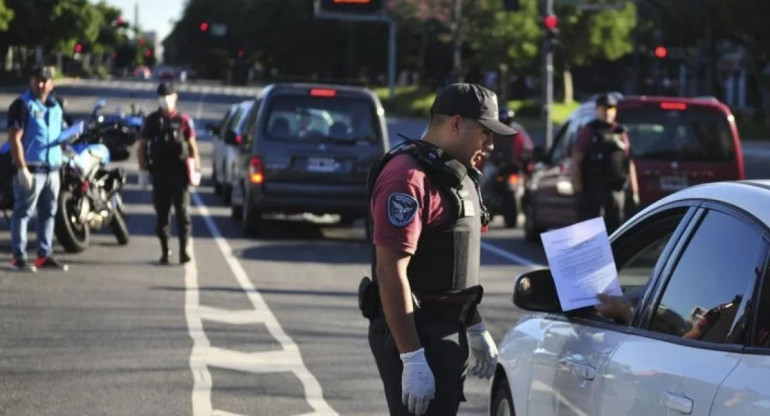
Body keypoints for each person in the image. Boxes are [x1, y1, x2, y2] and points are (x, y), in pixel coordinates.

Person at [366, 83, 515, 416]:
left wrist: (474, 324)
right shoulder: (407, 177)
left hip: (447, 329)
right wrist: (412, 358)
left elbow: (450, 263)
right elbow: (391, 271)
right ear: (457, 124)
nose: (491, 145)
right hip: (416, 333)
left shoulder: (456, 175)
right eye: (486, 133)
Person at [6, 66, 69, 272]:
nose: (40, 84)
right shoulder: (23, 105)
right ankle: (19, 258)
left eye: (44, 80)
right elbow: (15, 139)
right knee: (23, 213)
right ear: (31, 81)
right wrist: (22, 168)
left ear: (52, 84)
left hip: (53, 169)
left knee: (49, 212)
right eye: (36, 80)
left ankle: (44, 255)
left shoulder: (56, 105)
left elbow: (61, 131)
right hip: (32, 169)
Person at [137, 82, 200, 265]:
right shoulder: (152, 121)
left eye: (168, 95)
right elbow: (142, 146)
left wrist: (196, 169)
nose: (165, 99)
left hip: (179, 174)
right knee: (162, 215)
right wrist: (142, 171)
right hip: (160, 173)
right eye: (162, 96)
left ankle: (184, 250)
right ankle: (165, 251)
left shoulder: (184, 121)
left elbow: (192, 146)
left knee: (182, 214)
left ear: (175, 97)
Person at [572, 93, 639, 233]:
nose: (607, 112)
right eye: (603, 108)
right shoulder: (589, 131)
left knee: (615, 230)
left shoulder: (620, 132)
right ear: (597, 110)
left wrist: (634, 191)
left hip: (616, 190)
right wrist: (578, 191)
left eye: (611, 109)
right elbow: (576, 161)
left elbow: (628, 162)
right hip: (594, 190)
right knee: (593, 232)